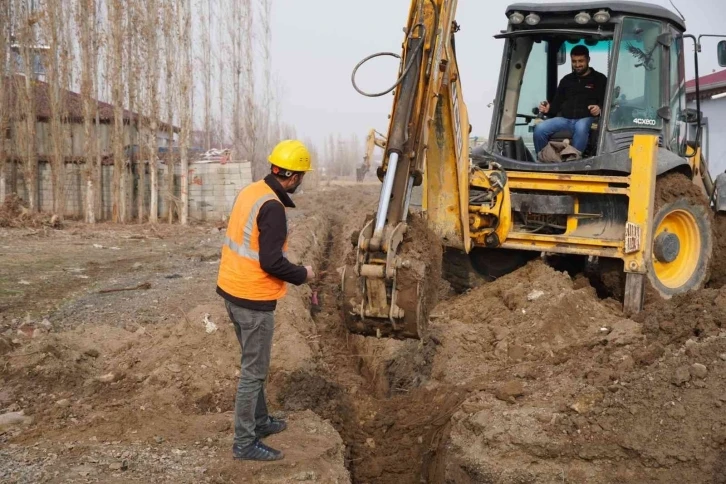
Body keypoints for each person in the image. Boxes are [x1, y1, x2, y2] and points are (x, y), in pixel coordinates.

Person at [216, 139, 316, 461]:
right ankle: (245, 443)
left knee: (252, 366)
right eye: (302, 176)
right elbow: (271, 262)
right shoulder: (273, 207)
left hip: (232, 290)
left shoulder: (252, 191)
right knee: (253, 373)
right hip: (253, 300)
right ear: (295, 176)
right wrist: (304, 274)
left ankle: (260, 421)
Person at [533, 45, 607, 157]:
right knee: (540, 128)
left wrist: (599, 109)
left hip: (587, 119)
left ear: (588, 60)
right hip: (565, 119)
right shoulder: (566, 80)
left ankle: (573, 160)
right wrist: (549, 109)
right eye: (574, 61)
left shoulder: (600, 79)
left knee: (581, 127)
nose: (577, 65)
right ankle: (545, 158)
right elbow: (556, 104)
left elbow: (607, 102)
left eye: (581, 61)